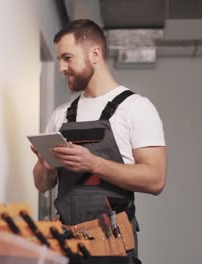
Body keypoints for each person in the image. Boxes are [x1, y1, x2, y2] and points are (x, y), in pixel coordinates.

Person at [31, 19, 166, 259]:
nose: (61, 67)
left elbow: (155, 180)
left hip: (113, 245)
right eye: (59, 59)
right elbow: (42, 185)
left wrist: (92, 163)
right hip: (65, 245)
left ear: (95, 54)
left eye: (67, 58)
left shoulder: (136, 108)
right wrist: (47, 168)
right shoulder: (61, 115)